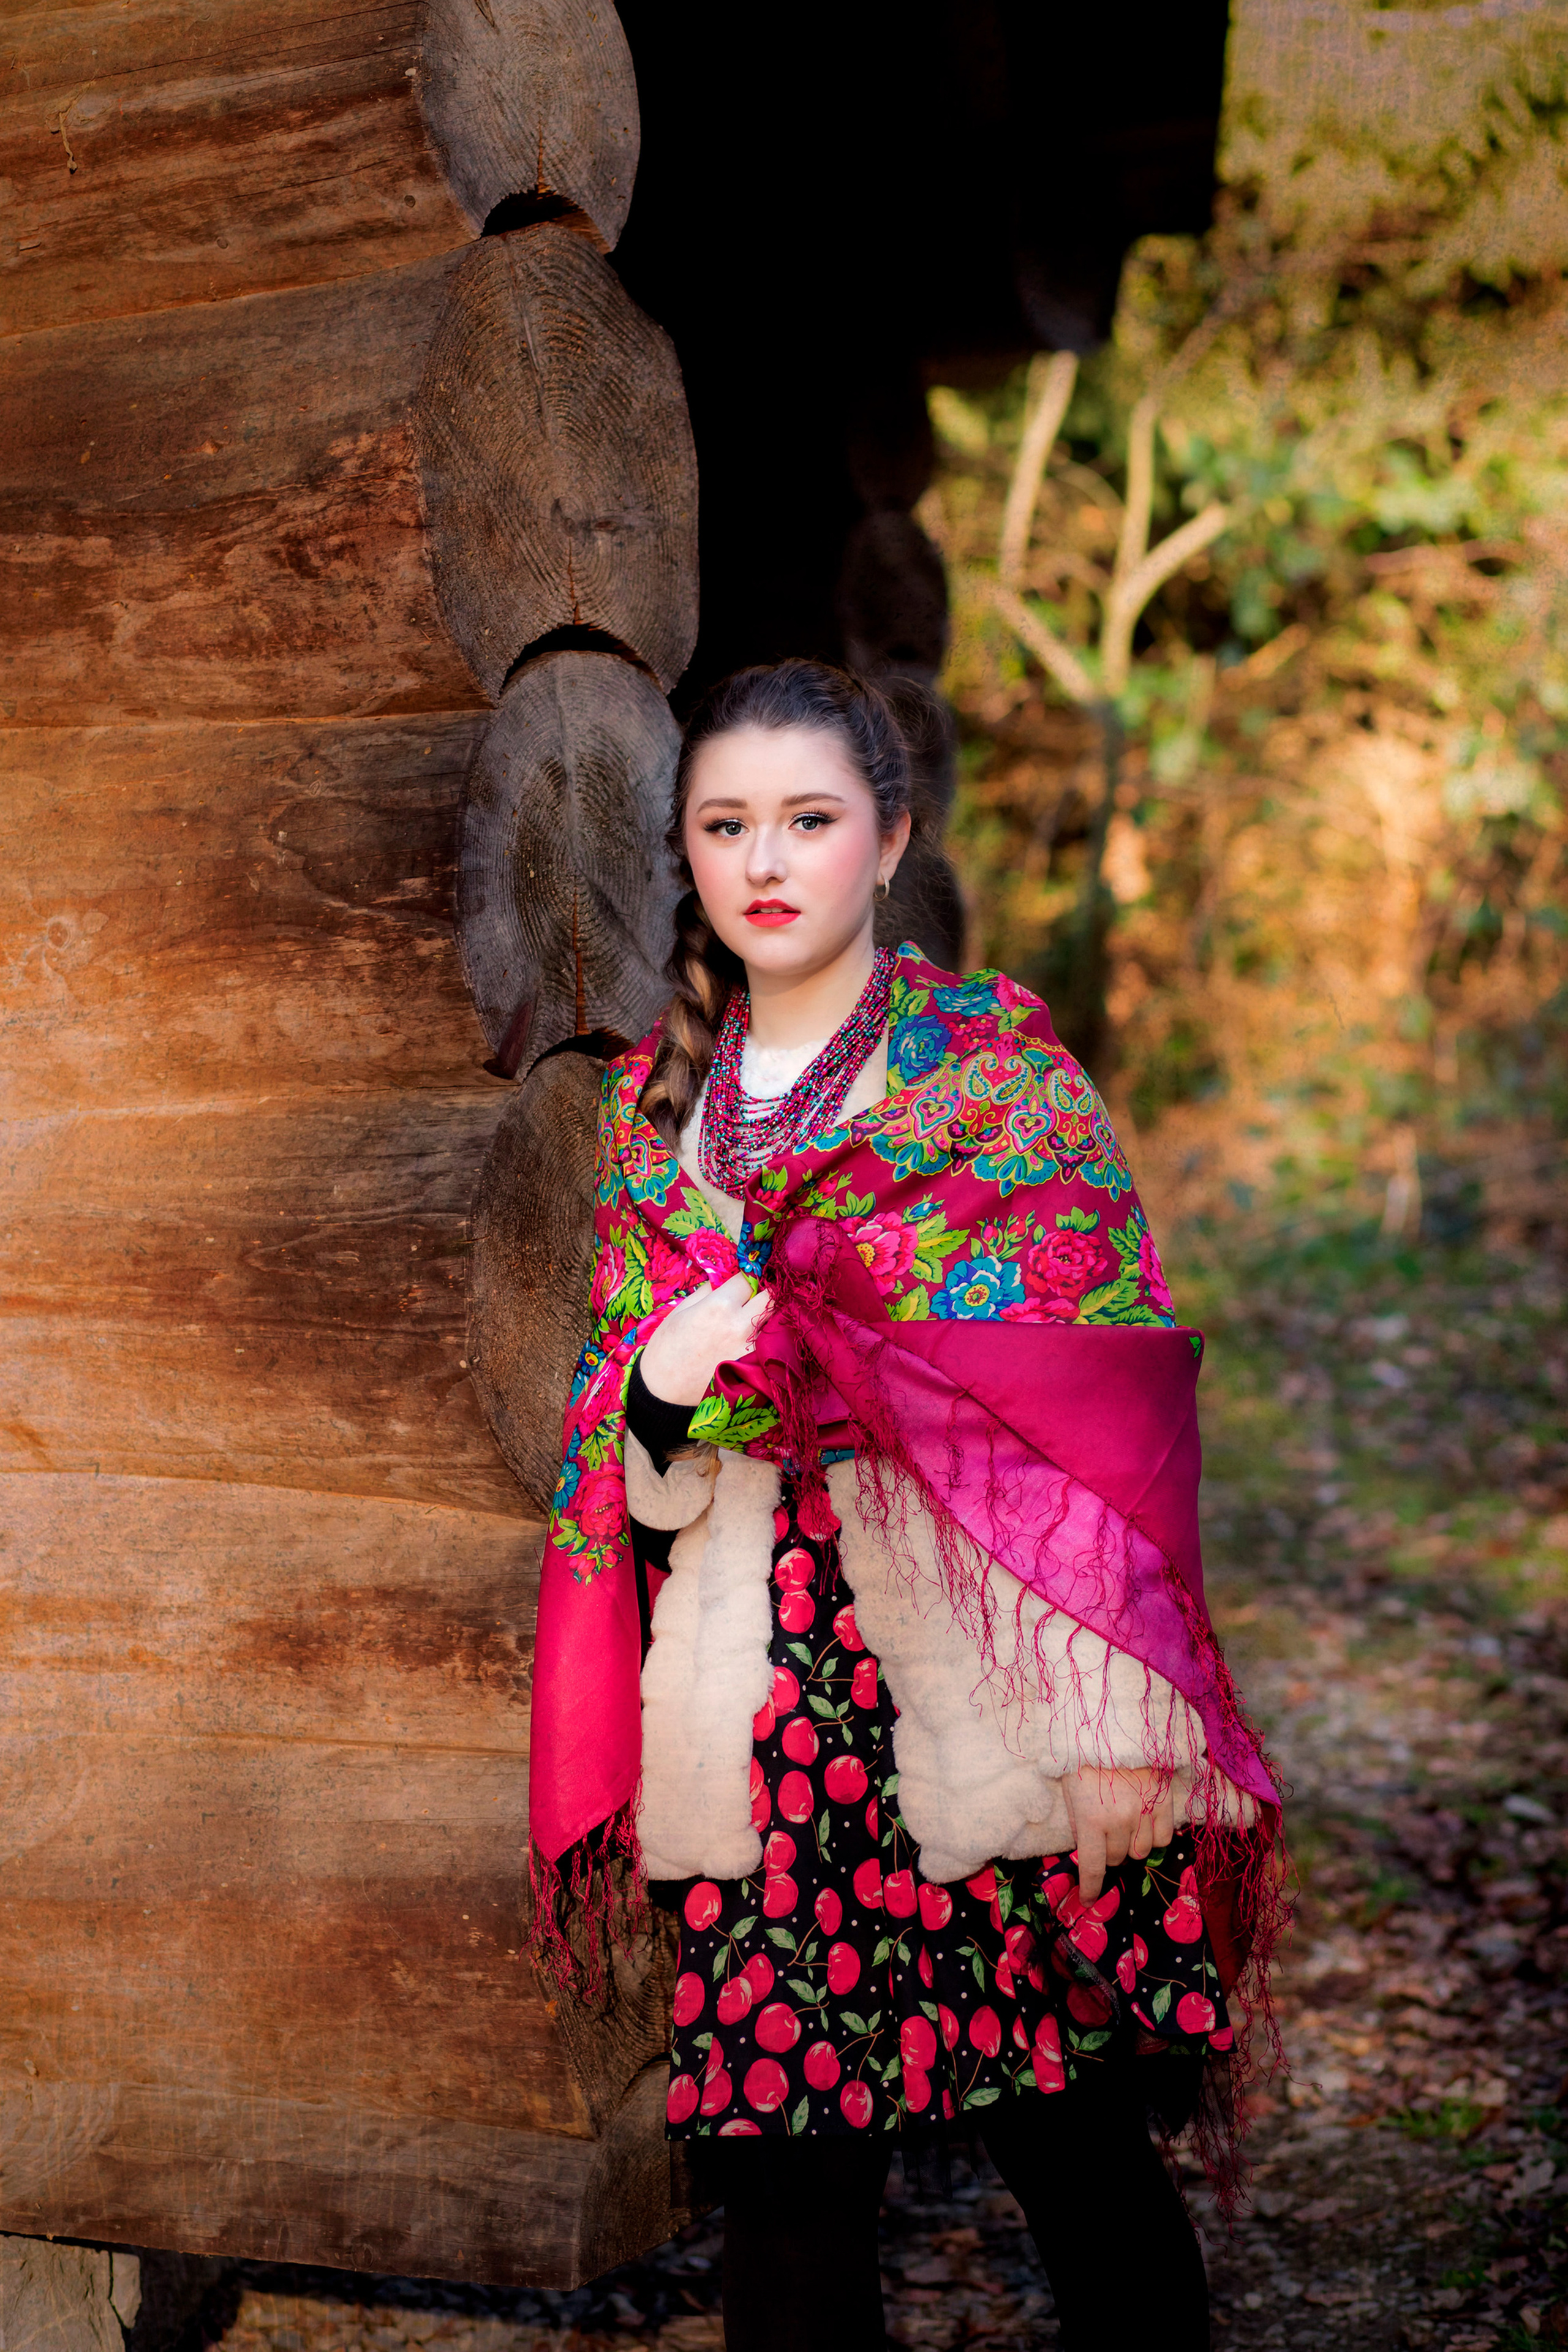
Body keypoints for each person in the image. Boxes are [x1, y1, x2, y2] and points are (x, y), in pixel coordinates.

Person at [529, 661, 1282, 2352]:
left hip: (984, 1675)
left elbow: (1103, 1387)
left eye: (809, 819)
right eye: (727, 825)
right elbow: (616, 1443)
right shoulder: (654, 1112)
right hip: (764, 1703)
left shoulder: (990, 1075)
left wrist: (1120, 1716)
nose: (767, 860)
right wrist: (659, 1394)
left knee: (1072, 2136)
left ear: (891, 839)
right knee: (789, 2168)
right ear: (687, 854)